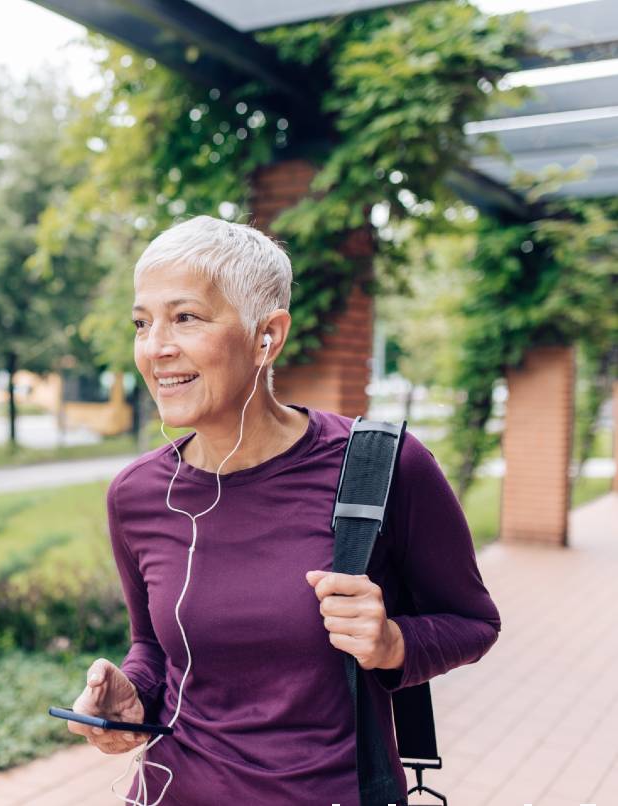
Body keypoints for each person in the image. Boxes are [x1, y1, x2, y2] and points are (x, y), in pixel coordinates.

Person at [64, 215, 500, 805]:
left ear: (267, 335)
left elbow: (473, 622)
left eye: (185, 317)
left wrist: (392, 643)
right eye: (142, 323)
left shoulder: (380, 467)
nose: (156, 347)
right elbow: (154, 649)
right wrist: (130, 701)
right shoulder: (137, 494)